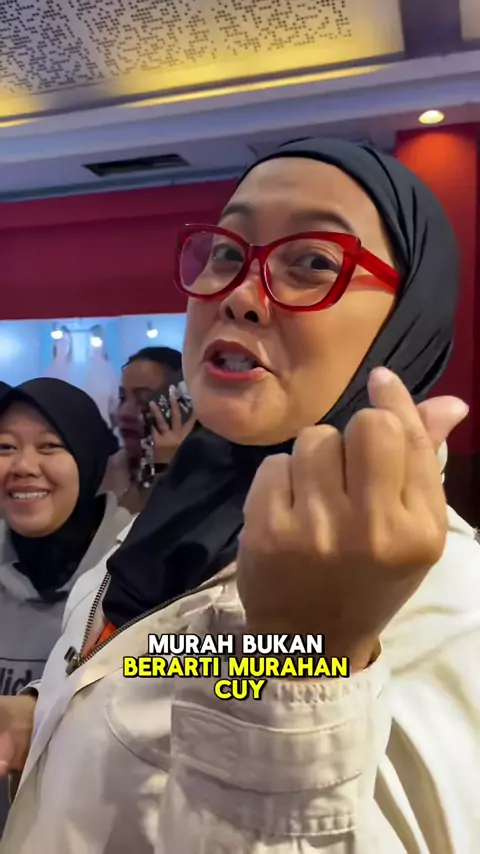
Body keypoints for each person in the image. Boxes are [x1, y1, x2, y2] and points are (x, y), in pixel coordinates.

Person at [1, 139, 479, 854]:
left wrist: (310, 660)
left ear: (406, 320)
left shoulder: (445, 605)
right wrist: (50, 715)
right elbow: (163, 666)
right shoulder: (179, 518)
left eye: (313, 262)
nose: (242, 294)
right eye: (228, 253)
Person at [103, 346, 195, 512]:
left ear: (184, 408)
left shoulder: (212, 478)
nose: (124, 413)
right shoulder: (103, 472)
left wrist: (166, 467)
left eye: (144, 400)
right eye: (122, 398)